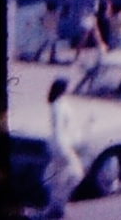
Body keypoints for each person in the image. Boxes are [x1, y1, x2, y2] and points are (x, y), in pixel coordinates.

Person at [40, 77, 84, 219]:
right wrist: (63, 148)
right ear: (63, 88)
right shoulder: (59, 106)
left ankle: (56, 206)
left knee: (58, 176)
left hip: (59, 144)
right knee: (76, 174)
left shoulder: (60, 103)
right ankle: (58, 205)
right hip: (60, 145)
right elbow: (58, 129)